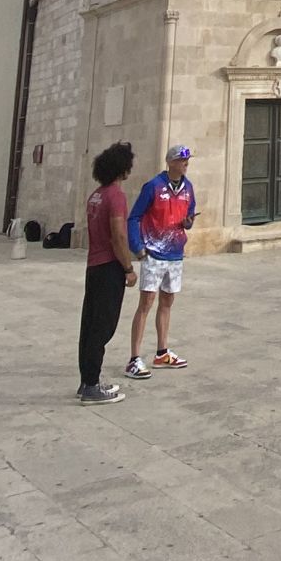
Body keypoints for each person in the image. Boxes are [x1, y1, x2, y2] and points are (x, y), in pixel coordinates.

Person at [124, 145, 196, 379]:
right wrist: (137, 247)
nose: (186, 163)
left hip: (175, 254)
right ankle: (134, 358)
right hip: (154, 253)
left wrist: (188, 223)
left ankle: (162, 352)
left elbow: (190, 214)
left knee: (167, 301)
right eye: (182, 160)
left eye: (187, 160)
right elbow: (134, 217)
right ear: (171, 162)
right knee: (146, 303)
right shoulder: (153, 187)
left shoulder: (188, 187)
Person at [78, 141, 138, 404]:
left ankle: (86, 380)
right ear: (122, 169)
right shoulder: (116, 196)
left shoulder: (96, 195)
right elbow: (118, 235)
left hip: (94, 265)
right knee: (103, 326)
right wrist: (128, 268)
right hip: (109, 266)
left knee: (90, 325)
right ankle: (92, 385)